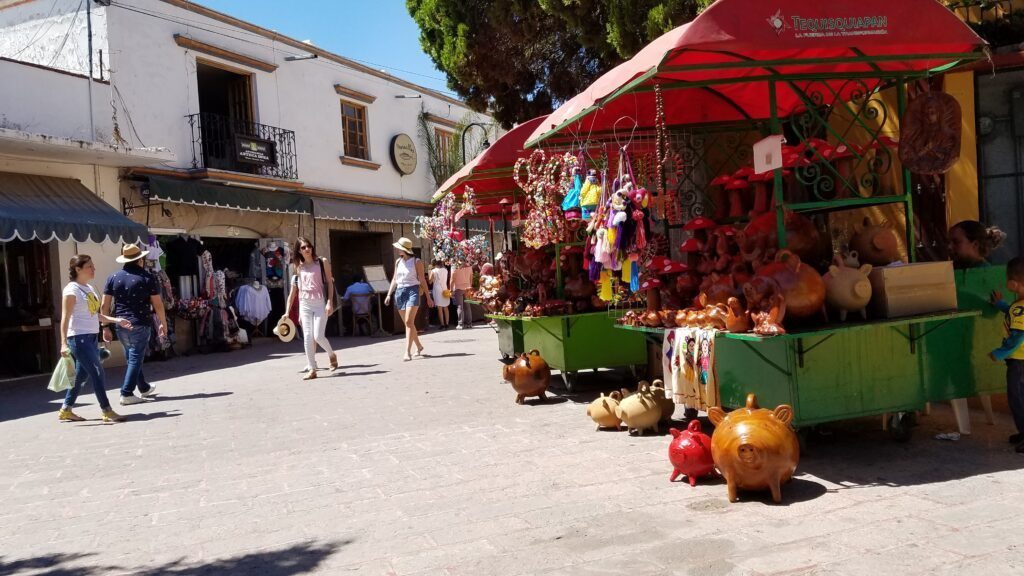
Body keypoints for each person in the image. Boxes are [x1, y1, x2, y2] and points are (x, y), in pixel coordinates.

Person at [58, 255, 131, 422]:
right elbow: (65, 317)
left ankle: (66, 409)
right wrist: (63, 343)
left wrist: (115, 320)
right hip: (78, 338)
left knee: (80, 377)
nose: (94, 269)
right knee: (98, 372)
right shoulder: (71, 290)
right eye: (89, 266)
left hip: (90, 338)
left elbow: (94, 315)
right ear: (78, 269)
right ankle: (106, 410)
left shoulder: (88, 288)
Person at [102, 244, 167, 406]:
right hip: (140, 322)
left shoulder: (113, 277)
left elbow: (104, 305)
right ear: (140, 260)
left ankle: (143, 387)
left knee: (131, 356)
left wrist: (105, 326)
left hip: (120, 323)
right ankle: (126, 392)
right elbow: (158, 304)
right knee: (135, 358)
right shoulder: (146, 277)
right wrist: (162, 323)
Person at [282, 237, 338, 380]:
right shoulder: (298, 267)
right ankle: (312, 368)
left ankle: (331, 354)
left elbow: (330, 284)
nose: (307, 249)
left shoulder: (321, 262)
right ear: (299, 251)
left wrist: (330, 302)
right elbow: (297, 291)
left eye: (308, 246)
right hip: (305, 304)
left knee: (318, 336)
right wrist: (289, 312)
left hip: (320, 302)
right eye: (303, 248)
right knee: (307, 336)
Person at [990, 257, 1024, 453]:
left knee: (1017, 397)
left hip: (1018, 361)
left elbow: (1018, 337)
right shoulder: (1017, 306)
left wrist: (999, 353)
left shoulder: (1019, 308)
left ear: (1013, 284)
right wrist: (1001, 305)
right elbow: (1013, 313)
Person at [384, 237, 433, 361]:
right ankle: (419, 346)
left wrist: (428, 297)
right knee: (409, 323)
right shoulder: (398, 262)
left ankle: (407, 352)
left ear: (403, 249)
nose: (396, 249)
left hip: (413, 290)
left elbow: (422, 280)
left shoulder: (417, 262)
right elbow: (395, 279)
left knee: (408, 322)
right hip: (399, 292)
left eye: (398, 247)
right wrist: (389, 294)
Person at [429, 260, 451, 330]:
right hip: (445, 289)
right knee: (446, 307)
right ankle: (447, 323)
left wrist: (429, 272)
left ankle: (442, 324)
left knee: (439, 308)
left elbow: (430, 281)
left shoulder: (433, 271)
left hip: (437, 289)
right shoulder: (445, 270)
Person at [450, 264, 473, 330]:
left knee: (460, 306)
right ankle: (469, 323)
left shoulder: (455, 267)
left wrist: (451, 290)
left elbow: (452, 279)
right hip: (467, 287)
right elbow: (471, 276)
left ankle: (460, 324)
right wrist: (470, 285)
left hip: (458, 288)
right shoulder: (469, 266)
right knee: (467, 306)